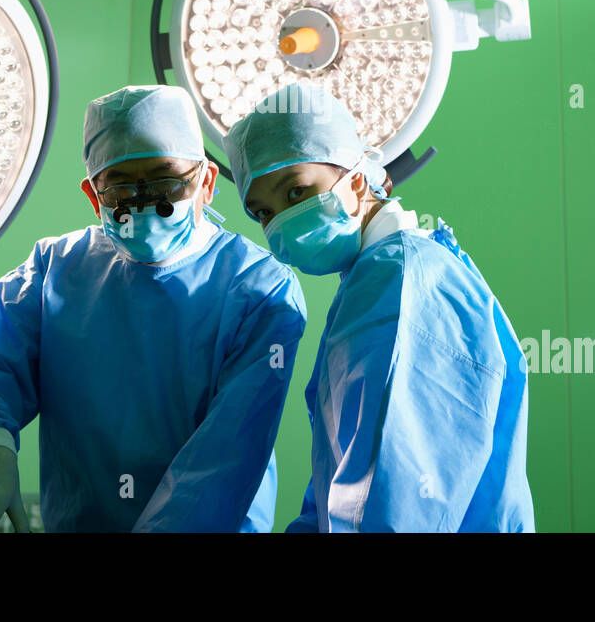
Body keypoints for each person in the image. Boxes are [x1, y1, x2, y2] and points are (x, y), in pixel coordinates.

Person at [0, 84, 307, 532]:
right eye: (122, 187)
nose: (145, 203)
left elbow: (226, 456)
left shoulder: (259, 290)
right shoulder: (57, 270)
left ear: (205, 182)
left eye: (166, 180)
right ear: (93, 196)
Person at [223, 82, 534, 532]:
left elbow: (391, 496)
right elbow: (342, 478)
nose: (281, 221)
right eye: (264, 213)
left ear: (354, 177)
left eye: (294, 193)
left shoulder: (401, 284)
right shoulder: (376, 280)